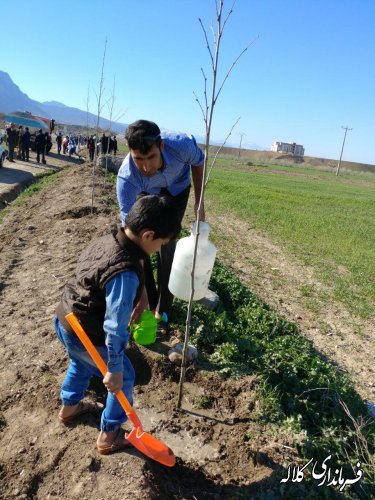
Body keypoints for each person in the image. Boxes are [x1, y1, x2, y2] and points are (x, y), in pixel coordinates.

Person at [54, 195, 181, 454]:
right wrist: (114, 368)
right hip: (88, 334)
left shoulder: (110, 238)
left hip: (66, 319)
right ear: (147, 235)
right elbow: (114, 326)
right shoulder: (124, 274)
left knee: (80, 362)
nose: (158, 251)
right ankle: (109, 436)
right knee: (125, 378)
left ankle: (69, 407)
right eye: (160, 244)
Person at [116, 119, 205, 325]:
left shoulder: (180, 145)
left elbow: (199, 162)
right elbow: (131, 238)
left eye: (151, 157)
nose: (146, 166)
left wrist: (199, 203)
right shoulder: (127, 179)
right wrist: (141, 293)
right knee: (142, 244)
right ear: (130, 152)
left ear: (161, 146)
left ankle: (163, 306)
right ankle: (147, 297)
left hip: (177, 191)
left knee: (167, 244)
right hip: (146, 194)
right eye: (138, 159)